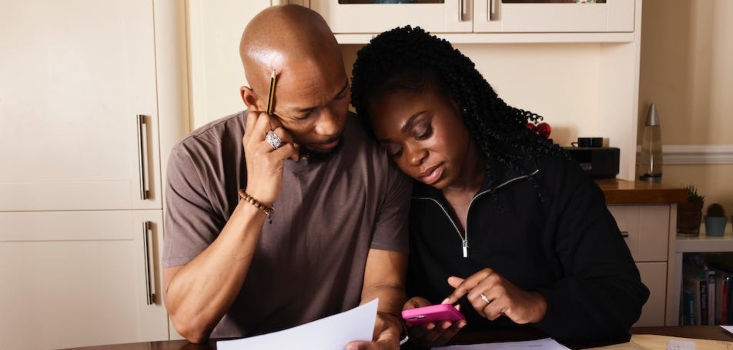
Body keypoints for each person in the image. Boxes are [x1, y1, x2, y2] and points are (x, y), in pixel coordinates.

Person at [350, 26, 649, 348]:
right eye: (393, 150)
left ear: (458, 101)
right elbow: (390, 296)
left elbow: (623, 296)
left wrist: (535, 304)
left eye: (422, 131)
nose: (413, 157)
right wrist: (412, 320)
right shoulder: (399, 198)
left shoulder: (547, 177)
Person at [161, 5, 412, 349]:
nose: (330, 125)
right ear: (254, 101)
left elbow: (383, 285)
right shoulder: (197, 160)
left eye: (339, 96)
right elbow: (190, 322)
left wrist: (382, 325)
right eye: (304, 113)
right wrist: (257, 198)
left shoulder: (379, 151)